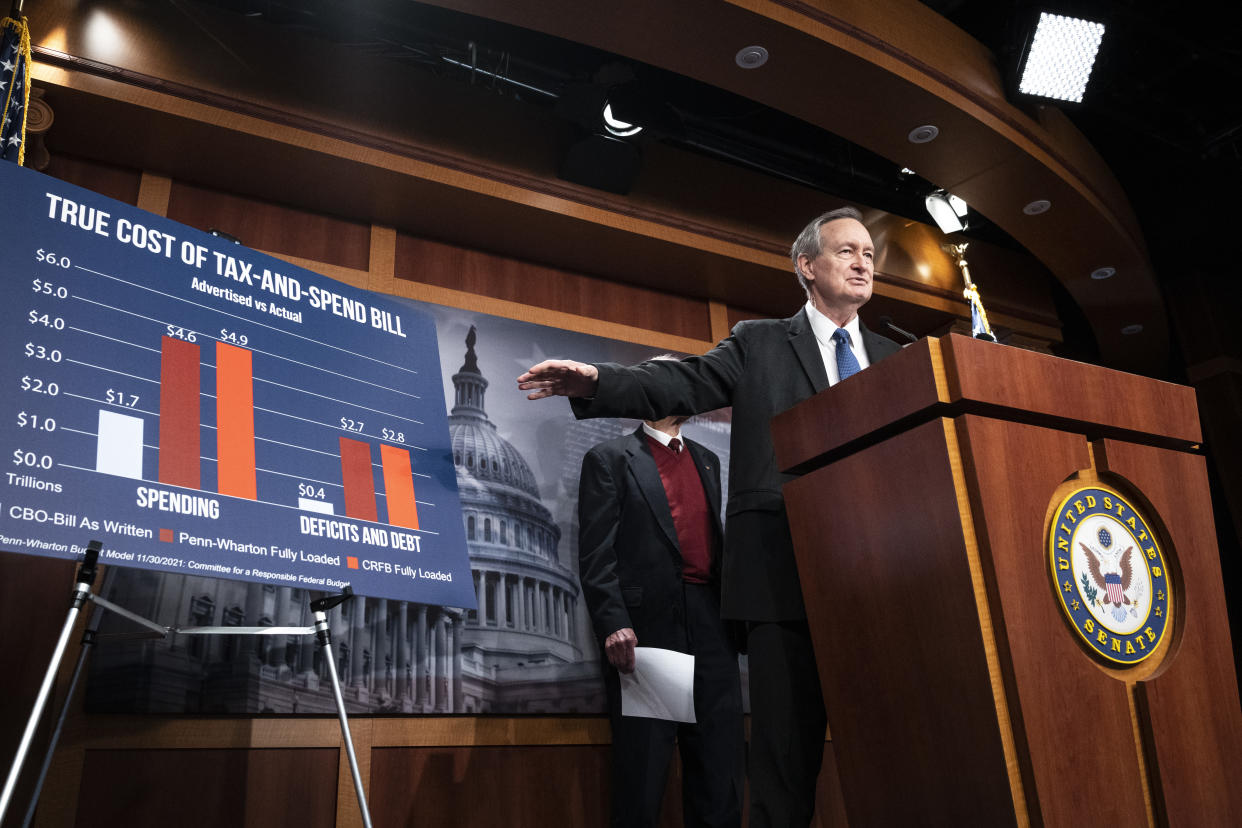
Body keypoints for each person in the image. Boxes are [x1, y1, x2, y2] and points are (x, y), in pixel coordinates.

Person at [519, 206, 901, 827]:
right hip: (786, 582)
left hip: (884, 580)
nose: (863, 263)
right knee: (782, 764)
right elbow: (684, 383)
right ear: (806, 266)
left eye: (868, 254)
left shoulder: (897, 358)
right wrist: (597, 382)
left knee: (896, 754)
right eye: (846, 252)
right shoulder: (760, 344)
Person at [578, 412, 744, 828]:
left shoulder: (707, 458)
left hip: (711, 623)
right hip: (647, 630)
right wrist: (612, 620)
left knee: (718, 770)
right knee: (644, 774)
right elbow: (597, 553)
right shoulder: (609, 458)